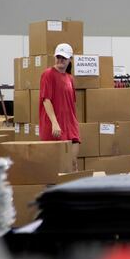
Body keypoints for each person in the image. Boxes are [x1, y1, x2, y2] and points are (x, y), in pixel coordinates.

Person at [39, 43, 80, 171]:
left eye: (64, 57)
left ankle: (73, 189)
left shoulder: (70, 78)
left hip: (70, 125)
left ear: (69, 59)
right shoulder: (48, 74)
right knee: (55, 168)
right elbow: (46, 100)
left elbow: (71, 103)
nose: (60, 60)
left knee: (73, 164)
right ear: (54, 57)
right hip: (54, 127)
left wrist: (74, 123)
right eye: (58, 57)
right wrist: (55, 123)